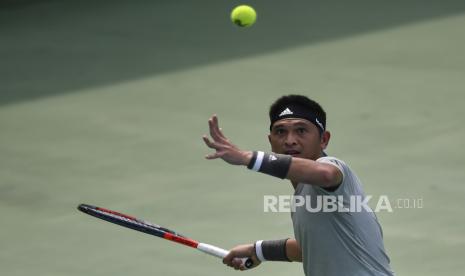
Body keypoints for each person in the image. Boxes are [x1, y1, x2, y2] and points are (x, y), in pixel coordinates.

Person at [202, 95, 394, 276]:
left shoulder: (334, 169)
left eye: (301, 130)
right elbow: (314, 248)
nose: (290, 140)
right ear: (271, 142)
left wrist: (247, 158)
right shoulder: (301, 197)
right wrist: (259, 250)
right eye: (280, 132)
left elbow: (326, 175)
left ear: (324, 140)